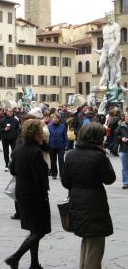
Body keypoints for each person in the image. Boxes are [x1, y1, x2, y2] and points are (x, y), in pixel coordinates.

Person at [61, 122, 116, 269]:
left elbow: (65, 182)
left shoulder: (71, 155)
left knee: (87, 239)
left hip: (76, 200)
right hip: (94, 202)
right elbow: (110, 179)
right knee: (96, 242)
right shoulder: (98, 156)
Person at [5, 119, 50, 269]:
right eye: (41, 133)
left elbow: (12, 170)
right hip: (35, 195)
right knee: (40, 230)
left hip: (22, 193)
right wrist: (44, 195)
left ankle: (34, 263)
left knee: (34, 230)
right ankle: (15, 257)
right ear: (36, 134)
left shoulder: (18, 150)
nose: (43, 136)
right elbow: (39, 178)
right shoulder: (36, 152)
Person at [48, 113, 67, 179]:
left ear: (59, 119)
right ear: (52, 119)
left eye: (57, 118)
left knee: (61, 160)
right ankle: (54, 173)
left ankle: (62, 174)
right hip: (52, 146)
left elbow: (65, 136)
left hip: (61, 146)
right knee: (53, 160)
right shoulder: (49, 126)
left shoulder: (62, 126)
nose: (55, 119)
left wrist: (66, 145)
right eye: (54, 118)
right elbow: (48, 136)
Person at [115, 113, 128, 189]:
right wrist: (121, 139)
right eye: (126, 116)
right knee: (124, 167)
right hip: (124, 148)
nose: (127, 118)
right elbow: (116, 135)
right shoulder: (121, 126)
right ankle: (126, 183)